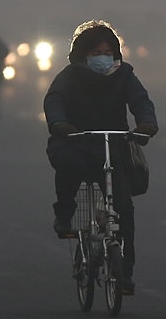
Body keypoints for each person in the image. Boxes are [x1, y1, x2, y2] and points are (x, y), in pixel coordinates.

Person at [43, 20, 159, 295]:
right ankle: (64, 213)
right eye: (96, 53)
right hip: (76, 142)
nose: (102, 58)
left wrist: (146, 124)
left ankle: (125, 272)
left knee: (125, 210)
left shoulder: (125, 76)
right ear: (83, 55)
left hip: (112, 145)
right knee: (69, 166)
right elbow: (55, 100)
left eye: (107, 52)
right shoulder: (69, 77)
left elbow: (141, 101)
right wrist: (60, 124)